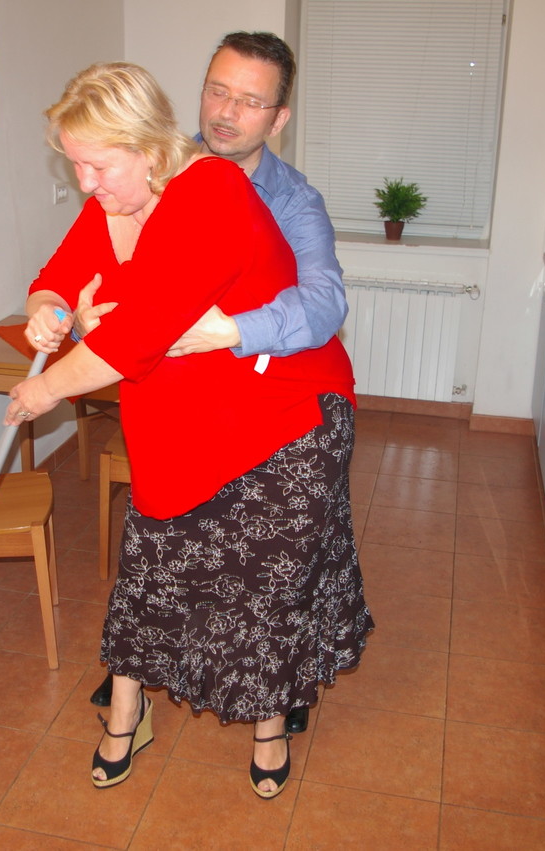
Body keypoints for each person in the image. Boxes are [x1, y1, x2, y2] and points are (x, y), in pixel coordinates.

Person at [6, 62, 372, 798]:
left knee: (265, 589)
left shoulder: (211, 192)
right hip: (180, 418)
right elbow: (58, 276)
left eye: (97, 165)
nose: (84, 182)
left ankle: (270, 726)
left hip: (278, 416)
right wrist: (48, 311)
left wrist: (42, 387)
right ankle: (127, 712)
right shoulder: (116, 198)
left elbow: (132, 336)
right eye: (74, 164)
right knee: (150, 576)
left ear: (146, 148)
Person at [81, 31, 345, 737]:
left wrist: (233, 329)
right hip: (182, 406)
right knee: (162, 540)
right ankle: (148, 663)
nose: (227, 112)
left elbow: (324, 305)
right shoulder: (153, 170)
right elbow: (98, 284)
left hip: (273, 400)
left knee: (269, 551)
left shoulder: (294, 201)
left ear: (279, 118)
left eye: (251, 101)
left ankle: (275, 675)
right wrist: (76, 319)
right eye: (217, 91)